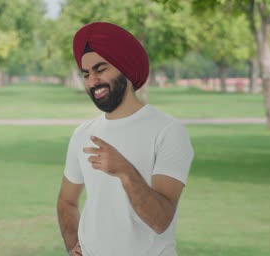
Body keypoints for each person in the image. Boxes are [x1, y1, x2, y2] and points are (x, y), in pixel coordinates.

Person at [56, 22, 194, 256]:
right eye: (86, 74)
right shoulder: (83, 134)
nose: (92, 81)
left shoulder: (168, 131)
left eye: (100, 70)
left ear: (125, 68)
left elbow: (161, 221)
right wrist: (73, 246)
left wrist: (125, 171)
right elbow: (66, 202)